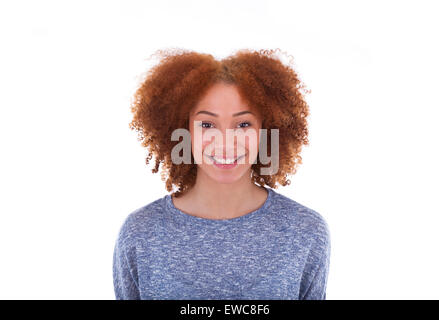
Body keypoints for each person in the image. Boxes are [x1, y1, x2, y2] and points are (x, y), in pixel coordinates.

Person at [113, 48, 331, 300]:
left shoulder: (305, 231)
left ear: (267, 130)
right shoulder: (141, 233)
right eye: (207, 125)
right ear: (182, 131)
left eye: (243, 124)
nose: (226, 143)